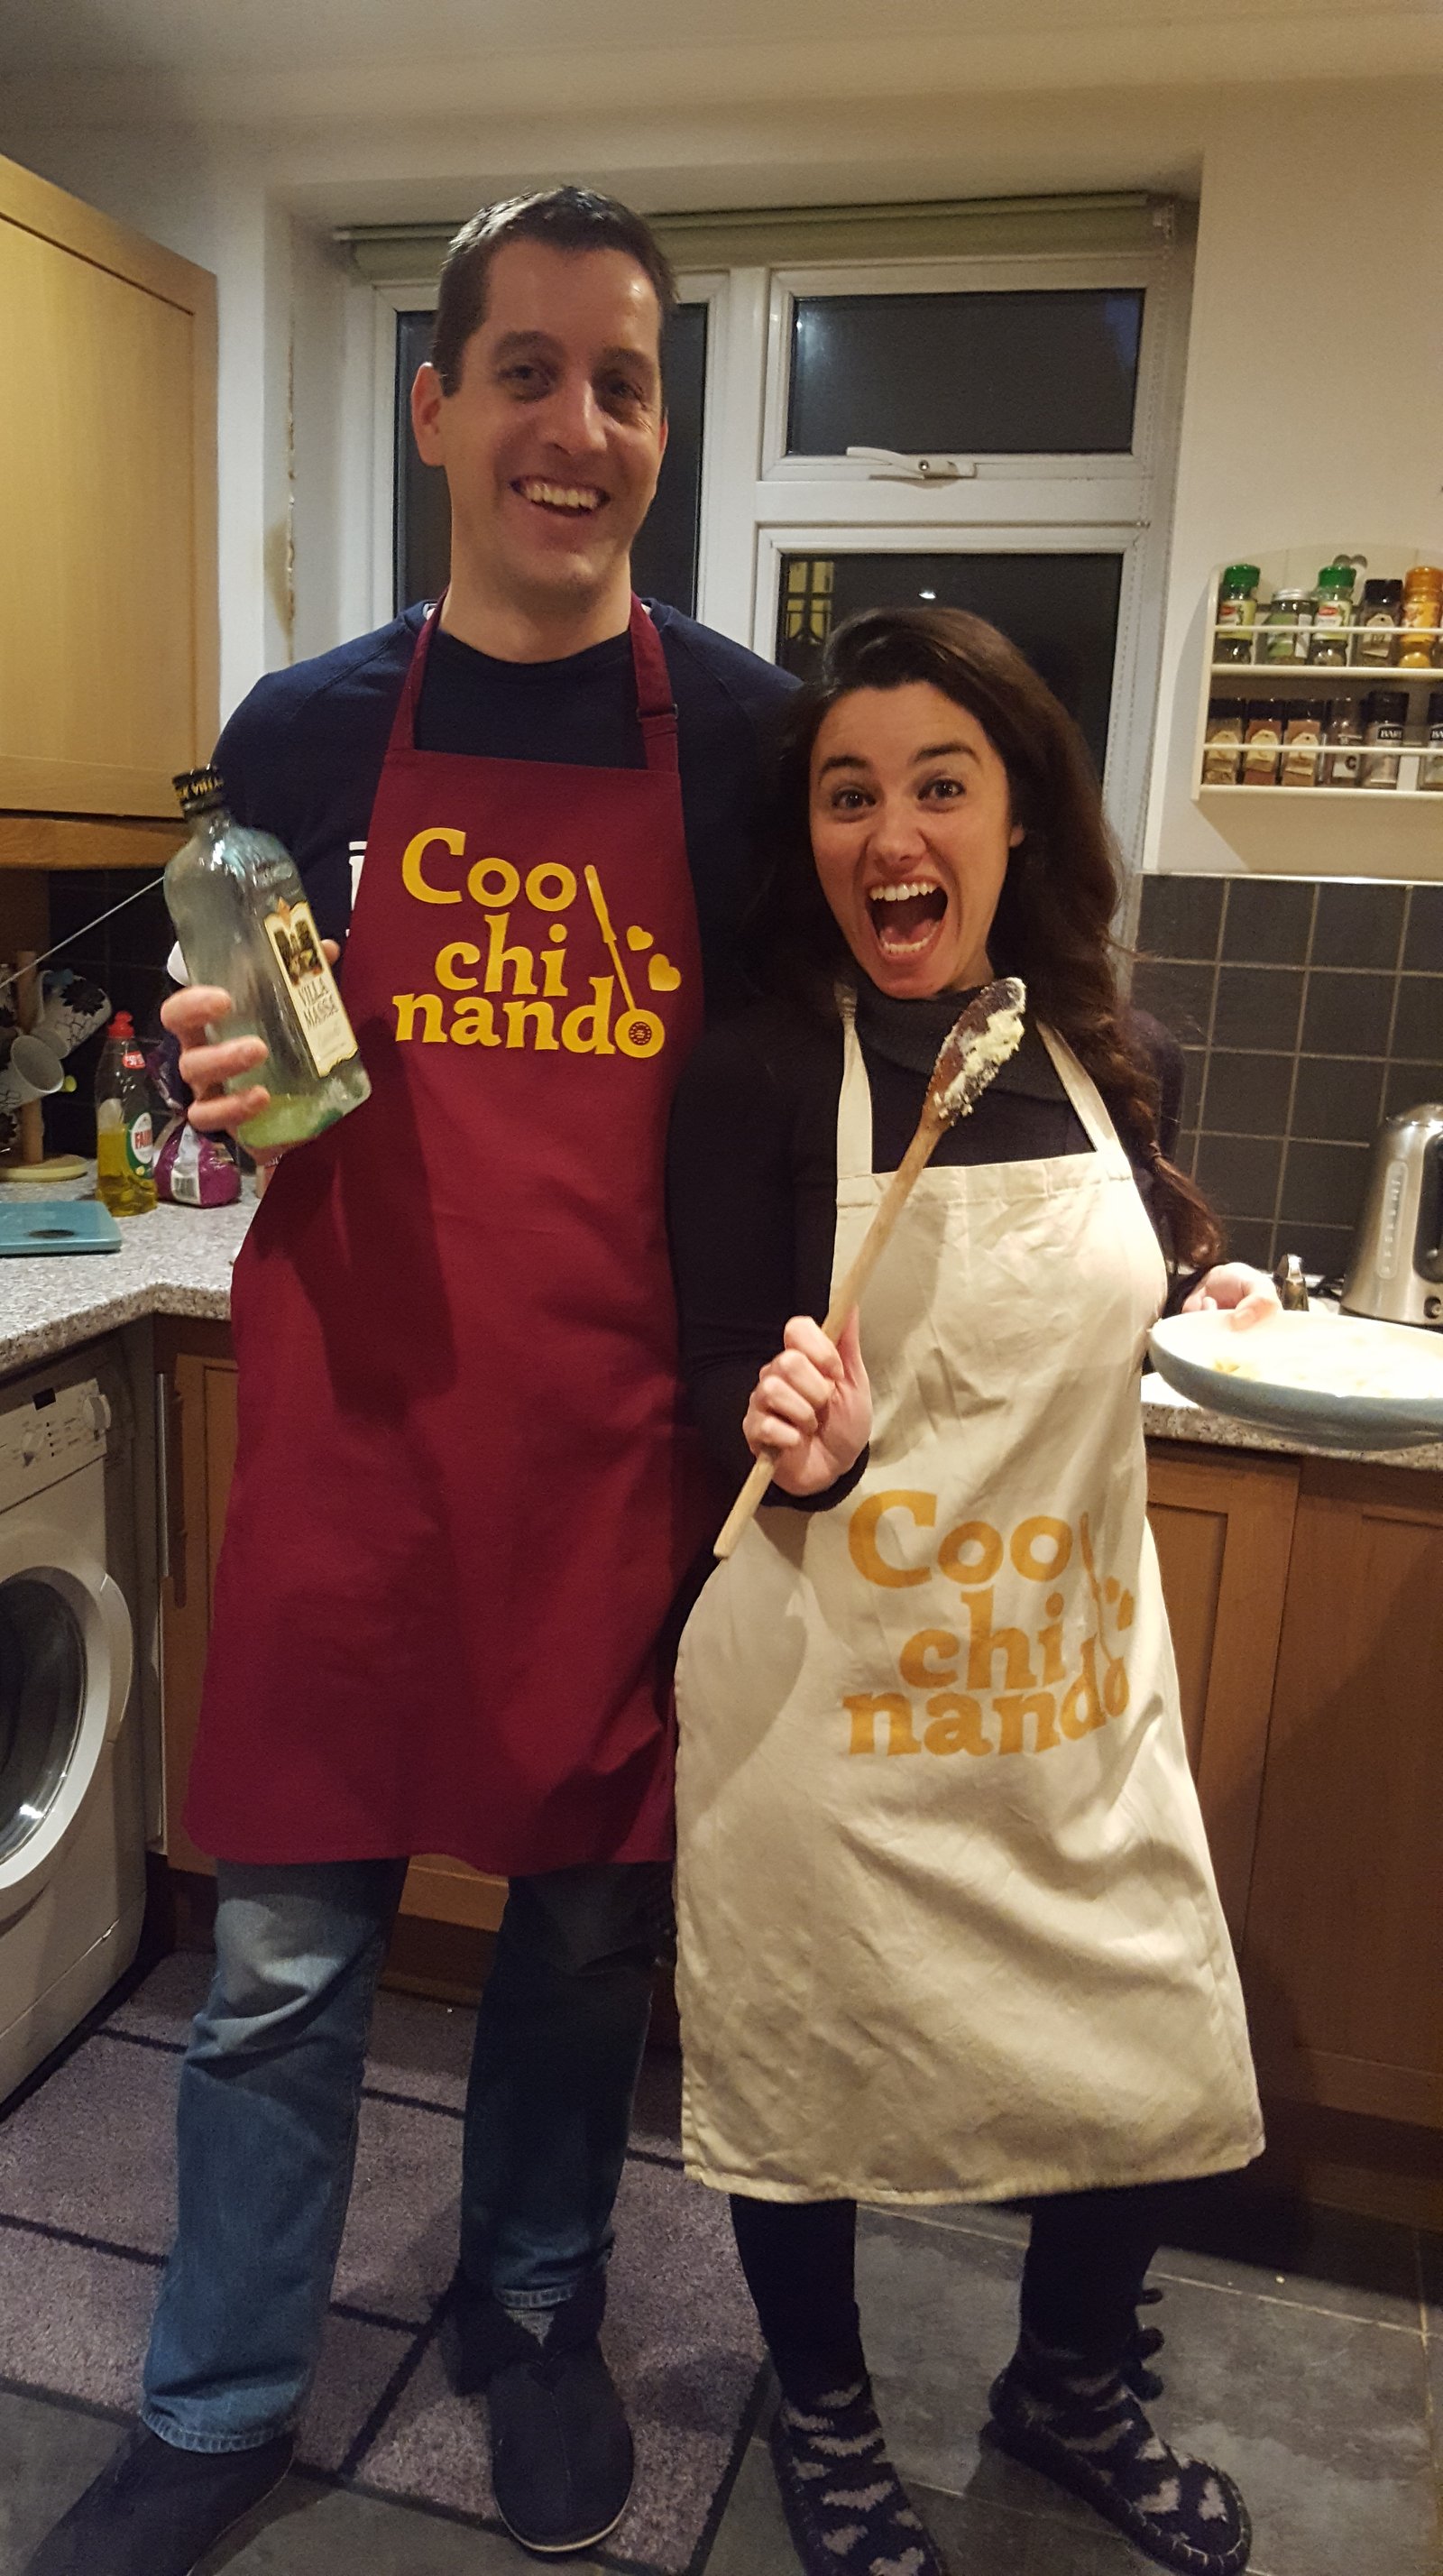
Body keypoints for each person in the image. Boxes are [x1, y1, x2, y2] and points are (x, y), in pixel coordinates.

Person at [26, 188, 794, 2576]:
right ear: (440, 406)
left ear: (662, 428)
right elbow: (228, 1073)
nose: (580, 428)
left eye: (629, 385)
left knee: (576, 1943)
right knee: (276, 1966)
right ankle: (221, 2390)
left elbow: (794, 1095)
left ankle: (531, 2314)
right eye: (533, 374)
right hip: (356, 1445)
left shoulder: (753, 742)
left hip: (609, 1459)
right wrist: (197, 1090)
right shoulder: (304, 728)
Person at [666, 605, 1274, 2576]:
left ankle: (1066, 2386)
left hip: (1064, 1696)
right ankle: (826, 2421)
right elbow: (703, 1388)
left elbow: (1091, 1306)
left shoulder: (1111, 1058)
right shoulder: (763, 1069)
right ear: (812, 833)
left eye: (940, 783)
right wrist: (797, 1444)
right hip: (834, 1699)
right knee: (810, 2060)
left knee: (1138, 2044)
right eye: (849, 793)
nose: (889, 830)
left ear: (1015, 824)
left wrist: (1205, 1297)